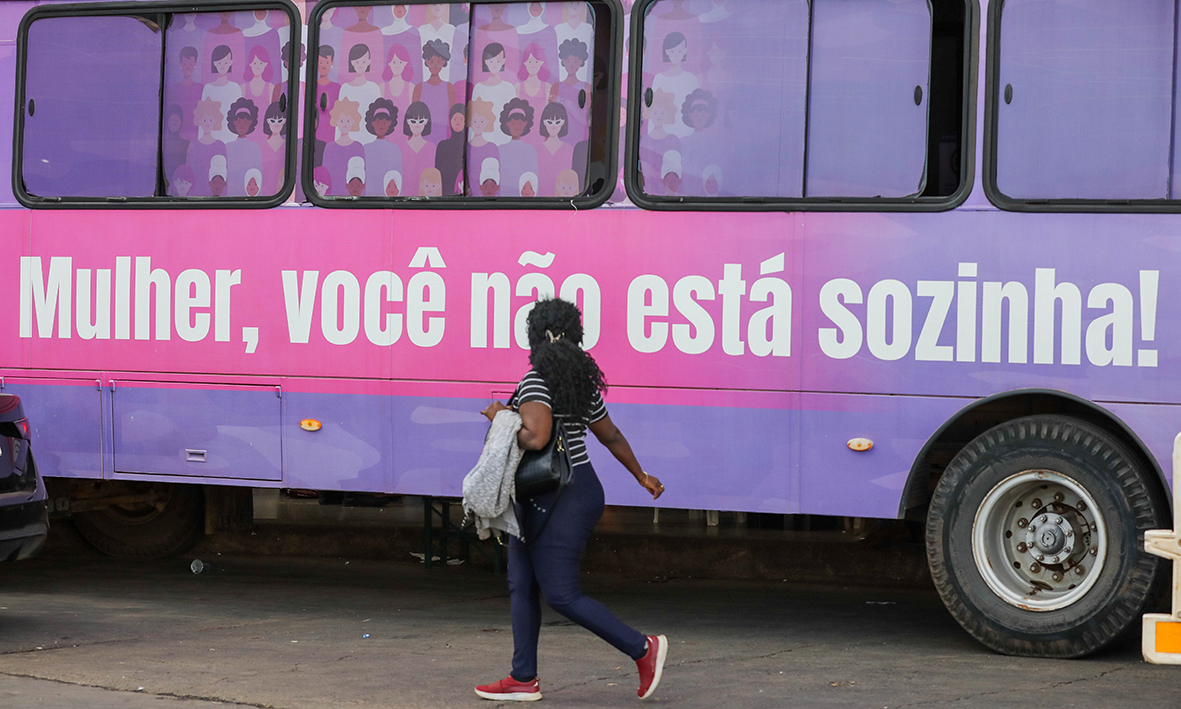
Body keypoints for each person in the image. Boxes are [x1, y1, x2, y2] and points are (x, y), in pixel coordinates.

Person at [476, 298, 668, 702]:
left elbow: (536, 437)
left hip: (556, 494)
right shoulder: (579, 384)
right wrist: (640, 475)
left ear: (536, 337)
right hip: (567, 490)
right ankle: (523, 677)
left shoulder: (535, 381)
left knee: (560, 592)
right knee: (522, 584)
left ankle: (642, 648)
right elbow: (610, 435)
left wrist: (499, 417)